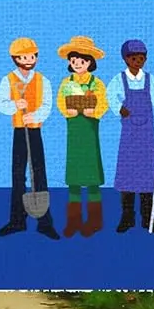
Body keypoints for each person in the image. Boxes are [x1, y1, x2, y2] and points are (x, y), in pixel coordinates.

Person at [0, 36, 59, 239]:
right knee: (18, 174)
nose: (29, 59)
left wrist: (36, 115)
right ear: (15, 58)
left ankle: (45, 223)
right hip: (20, 132)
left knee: (39, 173)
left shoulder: (42, 80)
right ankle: (17, 220)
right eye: (24, 56)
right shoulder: (8, 80)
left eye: (32, 56)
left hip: (35, 130)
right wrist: (15, 106)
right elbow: (0, 103)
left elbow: (48, 104)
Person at [104, 39, 154, 233]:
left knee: (147, 178)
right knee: (127, 176)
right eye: (134, 58)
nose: (138, 61)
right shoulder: (119, 80)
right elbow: (111, 96)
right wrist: (120, 108)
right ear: (126, 59)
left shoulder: (150, 80)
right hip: (129, 137)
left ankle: (148, 218)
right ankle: (127, 218)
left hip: (146, 138)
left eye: (141, 58)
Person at [56, 36, 109, 238]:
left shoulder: (97, 83)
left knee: (92, 176)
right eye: (74, 60)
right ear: (70, 62)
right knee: (74, 178)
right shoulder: (66, 83)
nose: (78, 64)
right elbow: (61, 101)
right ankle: (73, 221)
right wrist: (66, 111)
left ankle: (95, 220)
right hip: (74, 132)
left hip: (90, 131)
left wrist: (93, 111)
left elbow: (103, 103)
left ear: (90, 62)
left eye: (82, 60)